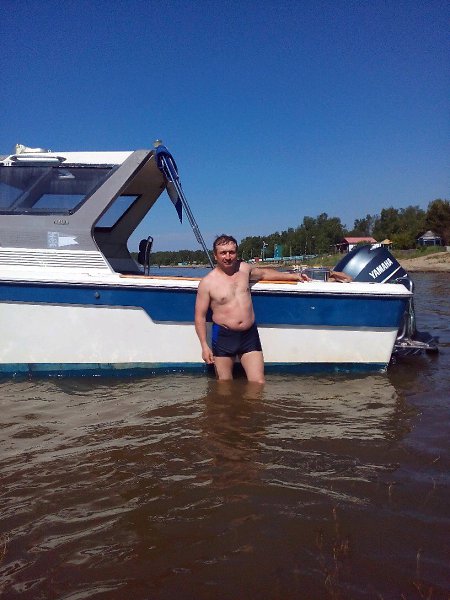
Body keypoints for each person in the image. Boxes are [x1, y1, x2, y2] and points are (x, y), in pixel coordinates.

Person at [194, 234, 310, 384]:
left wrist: (293, 276)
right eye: (223, 253)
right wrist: (204, 346)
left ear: (236, 253)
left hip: (249, 335)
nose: (228, 257)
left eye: (231, 252)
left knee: (258, 383)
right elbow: (200, 317)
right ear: (215, 256)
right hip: (224, 336)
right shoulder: (207, 283)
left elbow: (264, 274)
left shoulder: (244, 269)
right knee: (224, 385)